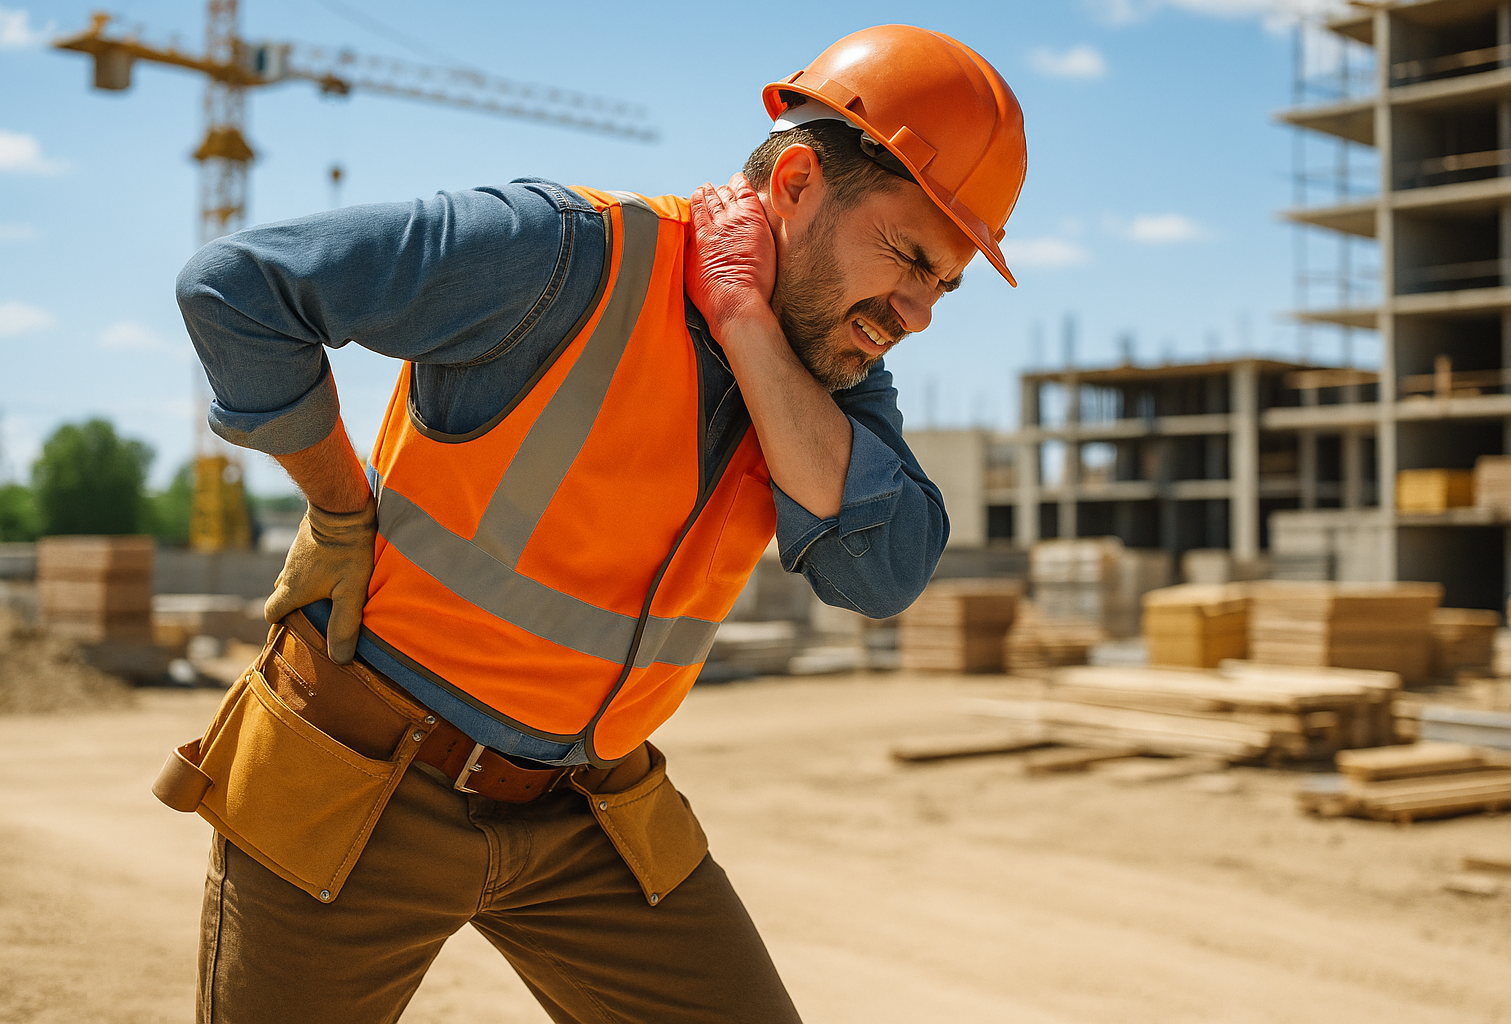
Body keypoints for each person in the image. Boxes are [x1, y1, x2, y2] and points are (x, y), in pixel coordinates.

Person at [161, 24, 1026, 1024]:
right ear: (794, 183)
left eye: (944, 285)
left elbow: (881, 573)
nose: (916, 311)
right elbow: (236, 285)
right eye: (909, 257)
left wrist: (742, 319)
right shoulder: (567, 254)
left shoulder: (831, 365)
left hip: (589, 814)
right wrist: (338, 498)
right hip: (358, 783)